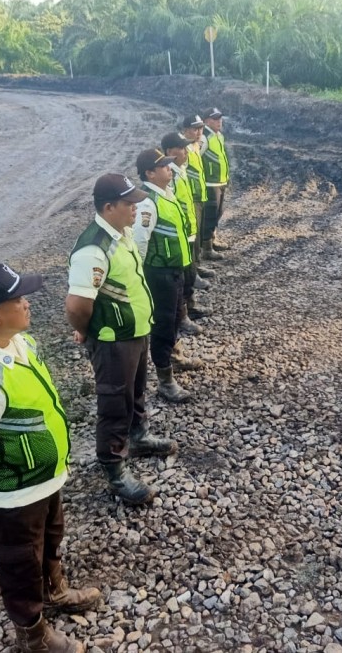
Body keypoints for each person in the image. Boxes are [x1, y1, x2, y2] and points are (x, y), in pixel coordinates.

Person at [0, 263, 100, 653]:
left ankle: (55, 591)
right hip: (13, 496)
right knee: (20, 564)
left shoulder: (19, 344)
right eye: (18, 299)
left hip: (42, 482)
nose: (27, 303)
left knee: (50, 539)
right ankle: (33, 635)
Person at [66, 174, 177, 506]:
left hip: (135, 333)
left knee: (136, 392)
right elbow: (76, 305)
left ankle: (138, 435)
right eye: (128, 203)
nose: (136, 207)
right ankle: (115, 470)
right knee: (114, 404)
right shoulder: (93, 249)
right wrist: (88, 332)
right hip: (113, 341)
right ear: (108, 206)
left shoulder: (122, 233)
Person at [133, 149, 202, 402]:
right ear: (149, 173)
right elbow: (140, 242)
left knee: (174, 317)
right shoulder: (147, 202)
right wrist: (139, 279)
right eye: (163, 167)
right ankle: (165, 381)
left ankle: (174, 356)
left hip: (174, 269)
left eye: (169, 165)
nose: (169, 170)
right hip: (159, 273)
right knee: (162, 324)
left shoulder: (165, 194)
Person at [161, 131, 212, 333]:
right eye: (181, 149)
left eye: (185, 147)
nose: (186, 152)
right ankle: (182, 317)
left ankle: (190, 307)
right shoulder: (169, 176)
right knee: (182, 278)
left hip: (189, 233)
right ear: (169, 152)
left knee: (189, 274)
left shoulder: (180, 170)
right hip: (180, 236)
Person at [180, 115, 216, 280]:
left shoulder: (194, 146)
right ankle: (192, 272)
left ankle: (197, 266)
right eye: (195, 129)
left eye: (201, 128)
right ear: (185, 130)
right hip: (190, 198)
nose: (199, 132)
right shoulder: (182, 149)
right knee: (192, 236)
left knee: (198, 234)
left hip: (198, 196)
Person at [200, 108, 230, 259]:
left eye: (220, 118)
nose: (219, 121)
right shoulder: (204, 138)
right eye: (215, 119)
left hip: (219, 182)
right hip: (210, 183)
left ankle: (212, 239)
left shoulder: (218, 136)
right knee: (210, 215)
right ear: (206, 121)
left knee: (218, 212)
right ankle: (206, 249)